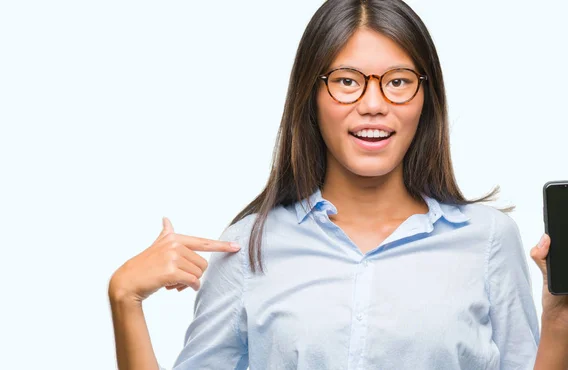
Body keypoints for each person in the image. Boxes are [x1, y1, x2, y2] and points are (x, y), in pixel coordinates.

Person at [108, 0, 568, 369]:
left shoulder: (487, 239)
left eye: (399, 82)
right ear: (311, 95)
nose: (373, 104)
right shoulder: (248, 247)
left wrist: (560, 320)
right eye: (347, 81)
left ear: (426, 99)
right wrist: (125, 298)